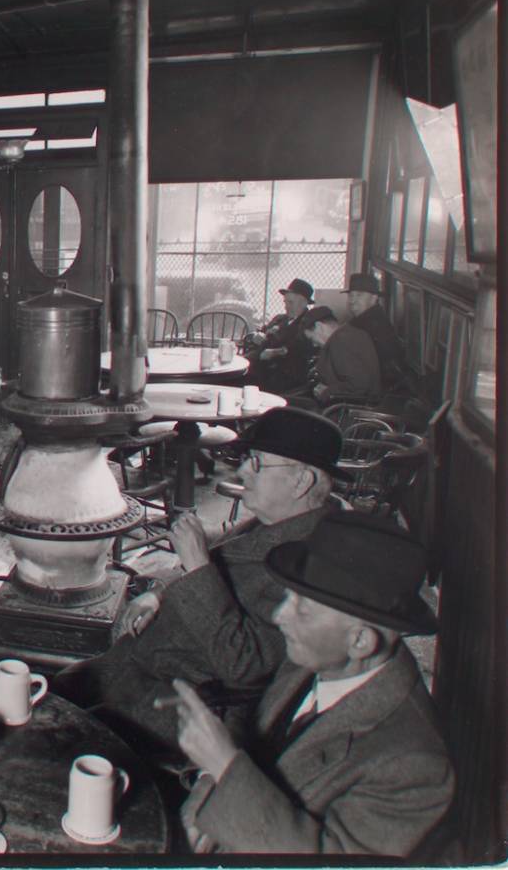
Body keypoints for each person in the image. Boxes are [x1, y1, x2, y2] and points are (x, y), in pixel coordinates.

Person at [52, 407, 346, 752]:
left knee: (55, 733)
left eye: (257, 463)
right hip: (147, 662)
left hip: (181, 701)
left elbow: (243, 666)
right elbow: (220, 563)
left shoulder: (310, 564)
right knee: (59, 689)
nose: (242, 471)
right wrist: (160, 593)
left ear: (302, 481)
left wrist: (195, 563)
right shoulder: (280, 521)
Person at [167, 513, 452, 856]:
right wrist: (208, 785)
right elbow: (255, 714)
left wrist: (222, 766)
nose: (278, 616)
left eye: (302, 608)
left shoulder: (416, 766)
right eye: (287, 597)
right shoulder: (316, 658)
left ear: (361, 641)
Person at [343, 272, 418, 395]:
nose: (352, 301)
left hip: (377, 393)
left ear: (374, 298)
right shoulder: (367, 320)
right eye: (351, 295)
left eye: (359, 295)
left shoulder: (369, 325)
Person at [297, 305, 381, 406]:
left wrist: (326, 391)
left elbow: (359, 385)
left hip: (348, 411)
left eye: (312, 339)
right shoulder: (349, 333)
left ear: (319, 326)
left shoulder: (340, 341)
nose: (314, 344)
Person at [245, 277, 315, 394]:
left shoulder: (307, 325)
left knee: (237, 378)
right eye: (285, 302)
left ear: (304, 302)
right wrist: (259, 335)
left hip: (279, 371)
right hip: (258, 361)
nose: (286, 306)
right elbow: (262, 331)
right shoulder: (280, 318)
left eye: (290, 302)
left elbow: (296, 349)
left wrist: (272, 352)